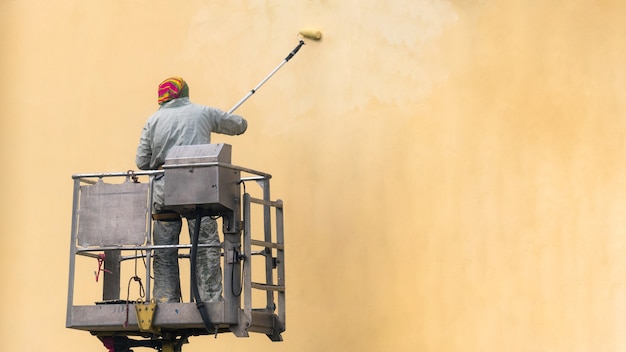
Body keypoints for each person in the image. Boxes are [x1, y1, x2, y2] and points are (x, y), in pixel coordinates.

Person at [135, 77, 247, 303]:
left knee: (165, 249)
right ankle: (209, 300)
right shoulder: (202, 112)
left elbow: (141, 161)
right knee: (205, 246)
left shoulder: (153, 120)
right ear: (185, 93)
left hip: (164, 191)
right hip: (199, 190)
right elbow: (239, 125)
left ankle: (165, 299)